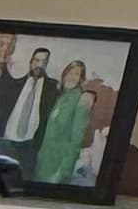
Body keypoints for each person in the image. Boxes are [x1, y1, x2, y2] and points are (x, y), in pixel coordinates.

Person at [30, 58, 98, 189]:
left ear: (81, 79)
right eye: (69, 72)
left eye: (76, 74)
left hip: (58, 167)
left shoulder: (81, 101)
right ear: (64, 74)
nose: (71, 77)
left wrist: (63, 171)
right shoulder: (60, 96)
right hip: (43, 162)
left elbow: (76, 141)